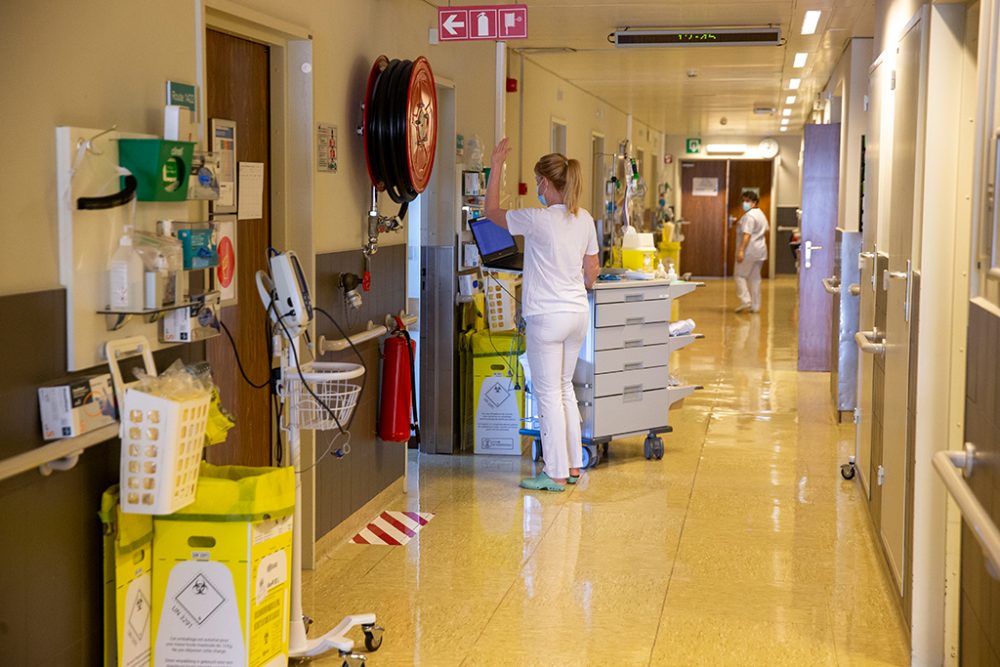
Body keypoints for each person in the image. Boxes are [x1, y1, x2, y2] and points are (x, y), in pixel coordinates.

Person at [485, 137, 601, 492]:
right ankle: (573, 465)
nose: (536, 187)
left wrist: (497, 165)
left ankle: (553, 473)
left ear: (547, 184)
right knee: (564, 389)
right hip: (577, 314)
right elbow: (592, 271)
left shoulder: (536, 219)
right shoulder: (584, 219)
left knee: (548, 393)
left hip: (547, 317)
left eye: (538, 181)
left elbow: (491, 213)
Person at [733, 190, 769, 313]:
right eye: (743, 201)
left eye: (747, 201)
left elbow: (747, 235)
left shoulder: (749, 216)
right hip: (760, 251)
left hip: (749, 251)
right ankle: (755, 306)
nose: (745, 203)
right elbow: (765, 230)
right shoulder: (760, 214)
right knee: (755, 278)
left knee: (739, 275)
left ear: (754, 202)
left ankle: (745, 301)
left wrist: (741, 251)